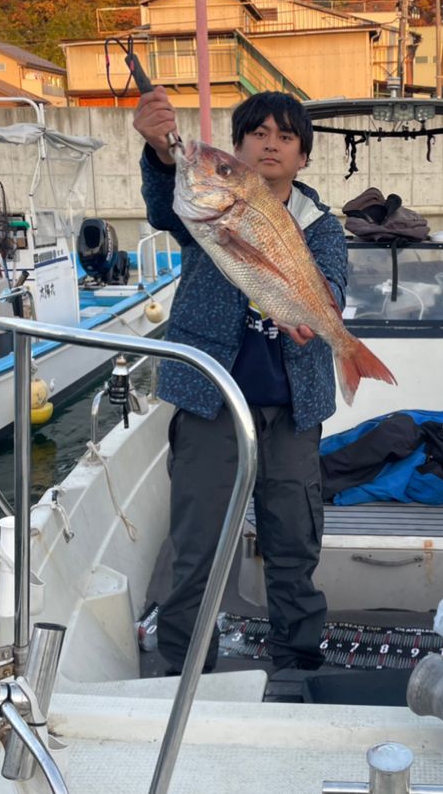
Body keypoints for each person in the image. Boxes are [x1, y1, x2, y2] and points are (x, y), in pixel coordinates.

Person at [133, 87, 346, 674]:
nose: (271, 144)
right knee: (197, 544)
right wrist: (158, 151)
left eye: (285, 136)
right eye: (258, 134)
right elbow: (160, 203)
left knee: (294, 544)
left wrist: (316, 315)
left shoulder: (323, 226)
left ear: (303, 156)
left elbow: (332, 285)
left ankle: (298, 663)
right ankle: (181, 666)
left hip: (292, 412)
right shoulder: (204, 208)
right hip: (209, 402)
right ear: (238, 148)